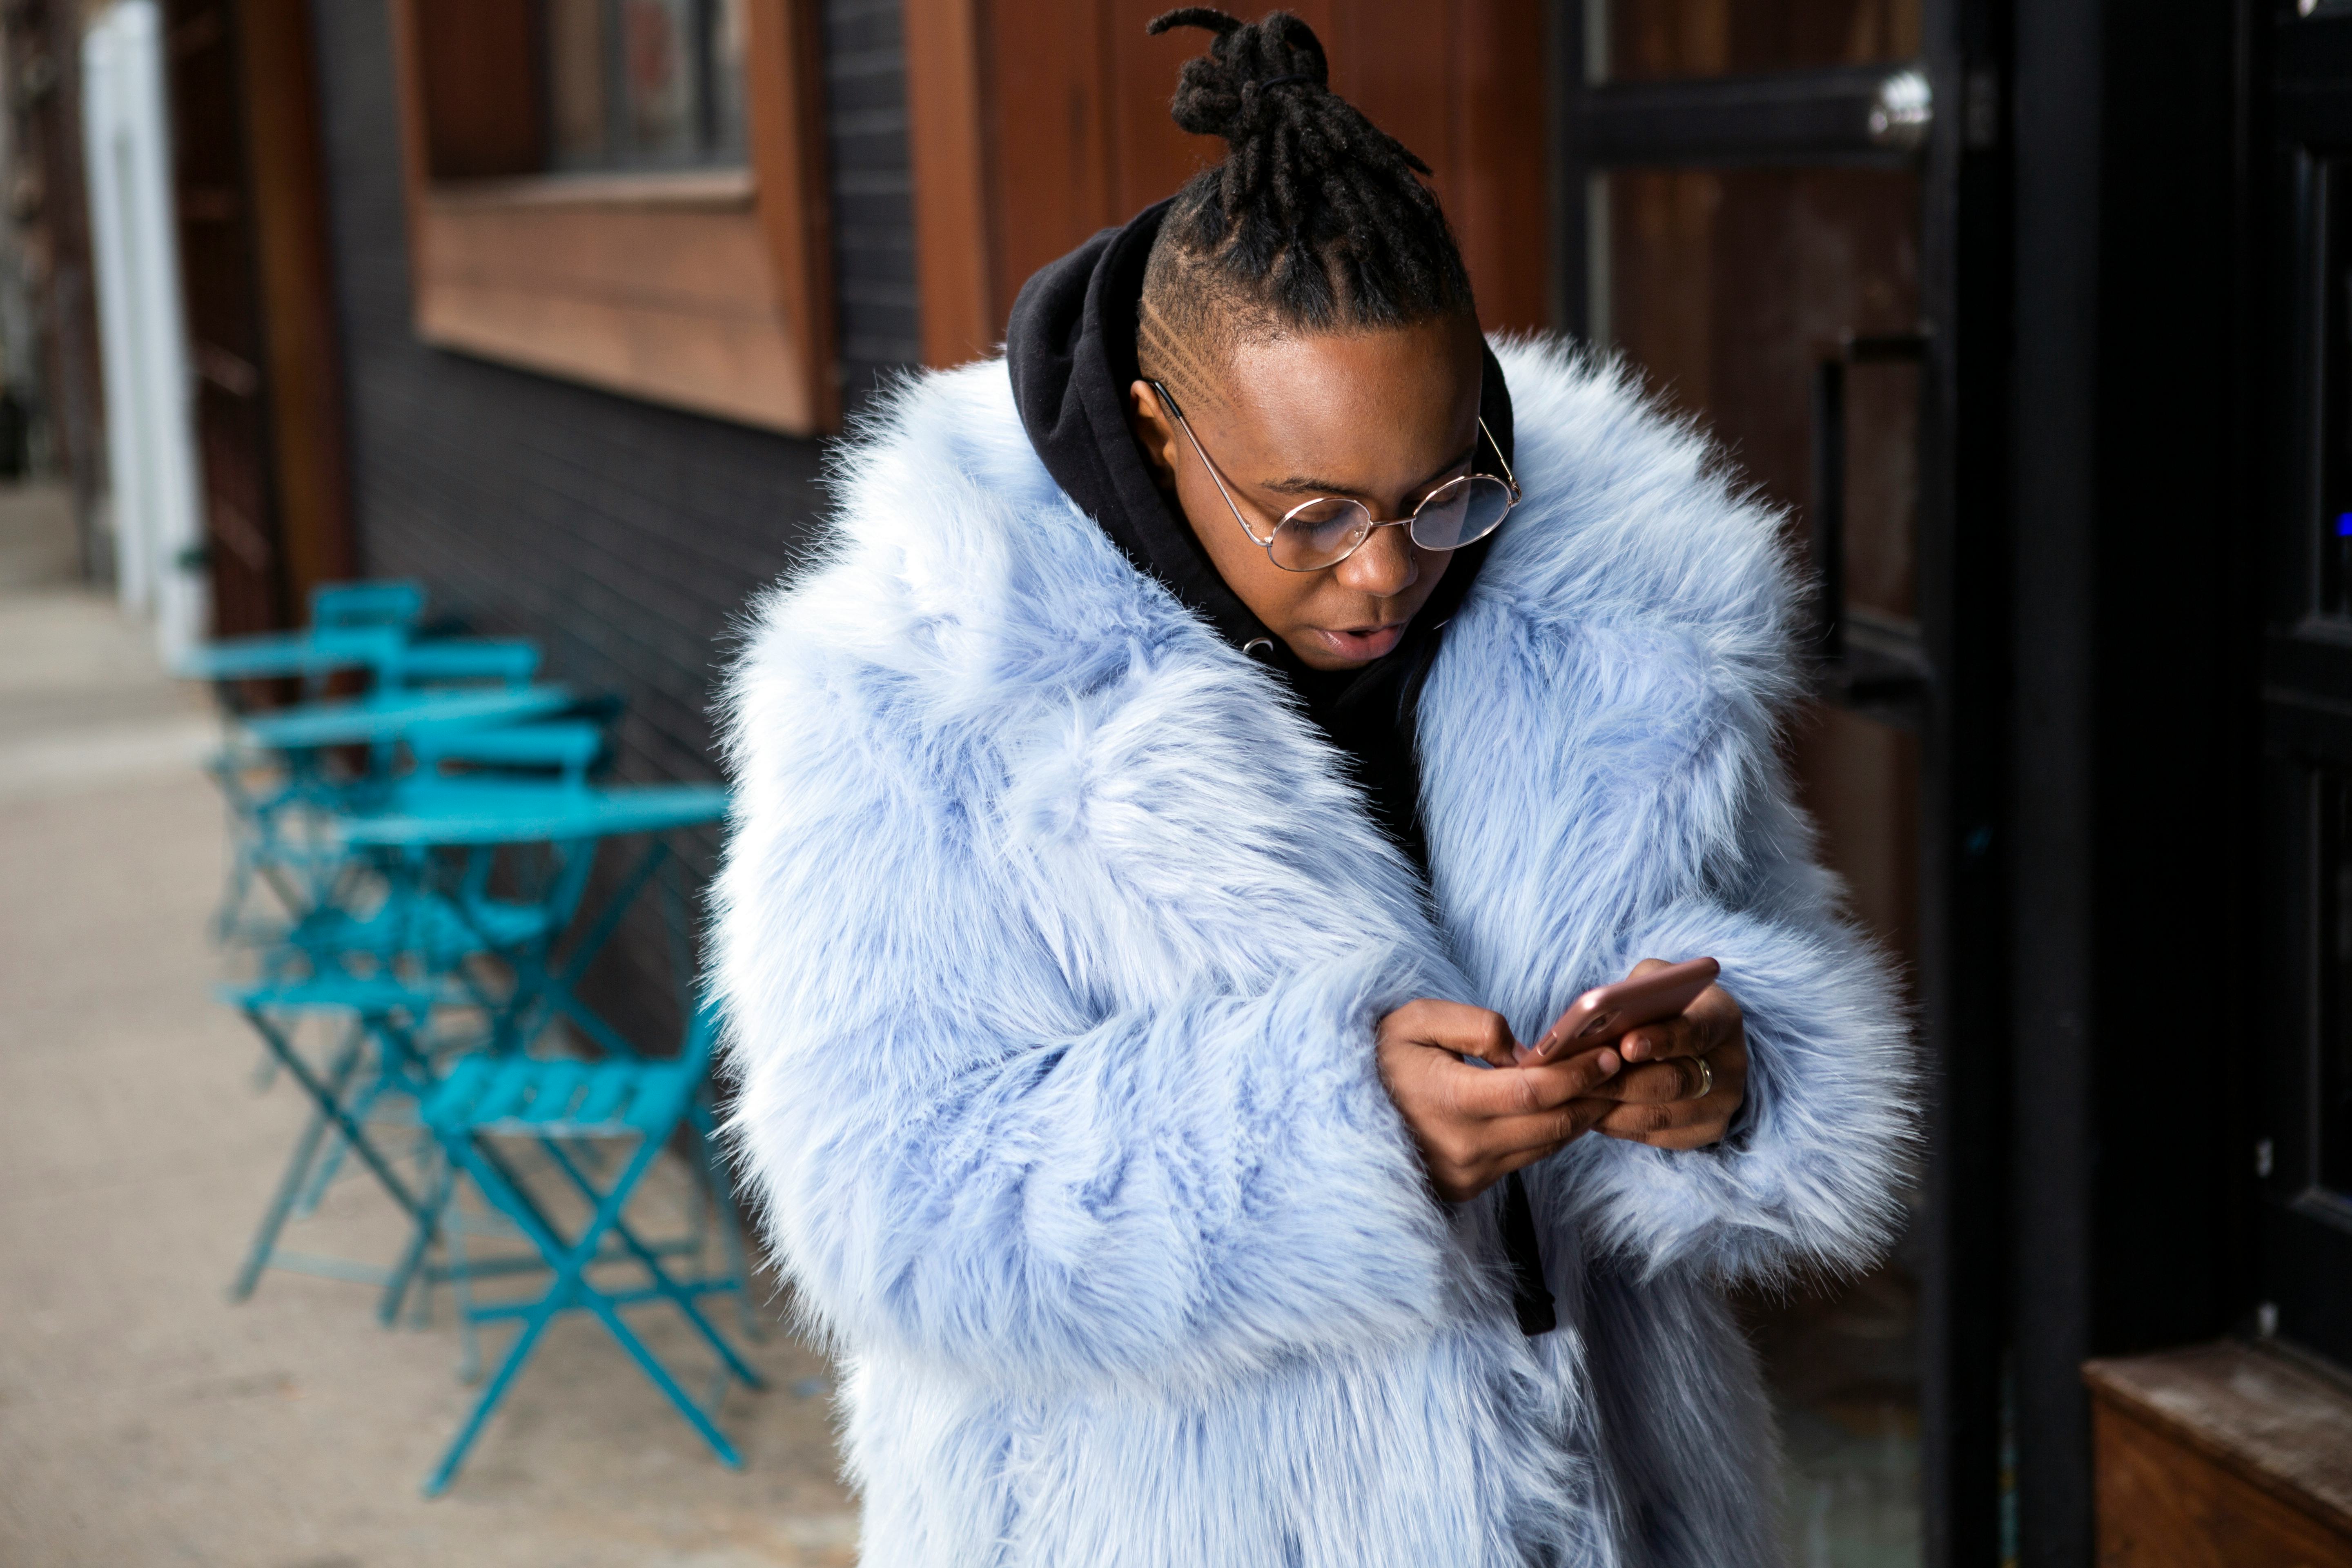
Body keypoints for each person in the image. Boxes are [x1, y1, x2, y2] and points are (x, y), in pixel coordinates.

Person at [714, 10, 1914, 1565]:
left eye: (1440, 498)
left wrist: (1727, 1082)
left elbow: (1765, 961)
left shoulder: (1637, 635)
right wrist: (1344, 1136)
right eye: (1312, 512)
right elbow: (887, 1204)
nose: (1386, 572)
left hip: (1610, 1513)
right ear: (1159, 427)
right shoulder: (914, 685)